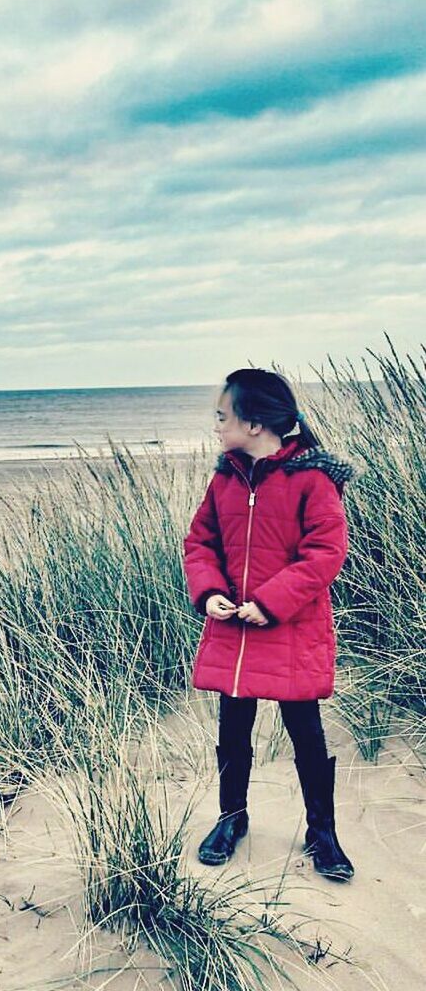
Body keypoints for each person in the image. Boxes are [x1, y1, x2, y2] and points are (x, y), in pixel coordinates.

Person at [183, 368, 357, 881]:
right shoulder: (226, 478)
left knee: (305, 732)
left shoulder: (311, 478)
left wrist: (271, 602)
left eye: (222, 417)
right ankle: (231, 819)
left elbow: (326, 553)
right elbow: (200, 543)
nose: (216, 426)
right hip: (234, 631)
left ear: (255, 422)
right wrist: (210, 592)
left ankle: (322, 832)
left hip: (290, 629)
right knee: (233, 728)